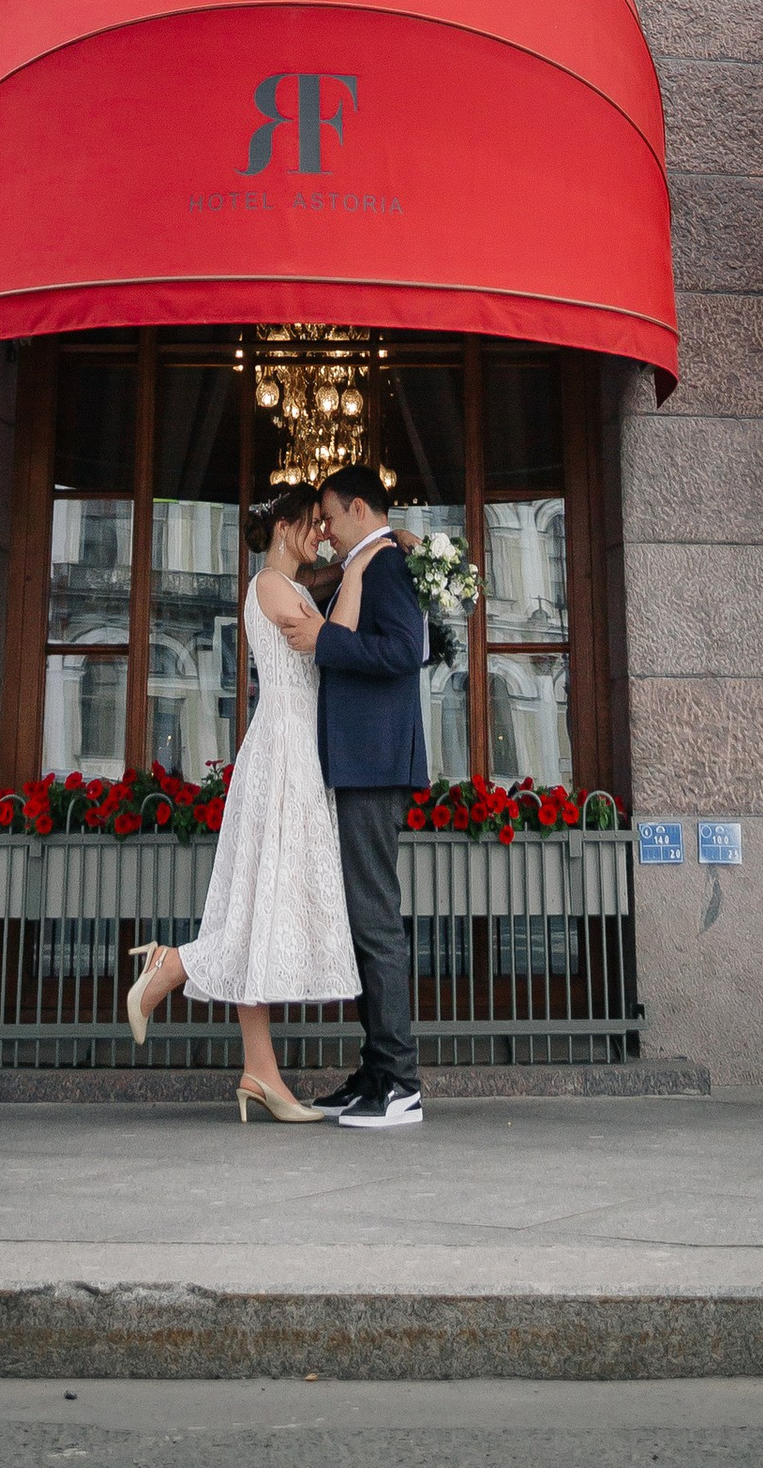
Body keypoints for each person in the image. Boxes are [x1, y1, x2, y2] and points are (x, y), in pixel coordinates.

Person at [124, 482, 358, 1123]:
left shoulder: (278, 586)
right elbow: (334, 638)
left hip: (285, 747)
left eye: (322, 525)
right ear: (284, 527)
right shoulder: (277, 589)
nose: (318, 535)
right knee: (266, 907)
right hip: (285, 752)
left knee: (263, 910)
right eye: (311, 524)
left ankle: (260, 1070)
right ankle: (172, 966)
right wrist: (366, 559)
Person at [310, 459, 430, 1131]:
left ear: (359, 508)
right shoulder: (376, 561)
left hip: (374, 767)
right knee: (366, 922)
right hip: (364, 764)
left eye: (328, 517)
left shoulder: (382, 566)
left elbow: (404, 650)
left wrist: (329, 641)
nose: (324, 531)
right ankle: (379, 1071)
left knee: (377, 923)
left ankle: (401, 1081)